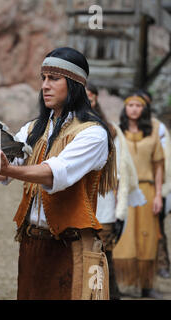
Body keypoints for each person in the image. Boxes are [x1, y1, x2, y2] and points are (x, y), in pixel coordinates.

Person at [0, 47, 117, 300]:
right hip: (32, 245)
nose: (45, 85)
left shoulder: (93, 133)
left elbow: (55, 174)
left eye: (54, 78)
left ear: (75, 84)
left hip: (72, 248)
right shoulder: (33, 129)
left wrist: (8, 168)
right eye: (43, 78)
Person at [86, 83, 146, 300]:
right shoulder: (67, 127)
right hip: (76, 203)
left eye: (90, 98)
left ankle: (106, 295)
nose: (87, 102)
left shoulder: (110, 130)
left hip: (103, 205)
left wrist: (120, 210)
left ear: (96, 100)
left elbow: (120, 171)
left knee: (101, 255)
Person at [112, 93, 165, 299]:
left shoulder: (152, 133)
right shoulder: (117, 132)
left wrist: (159, 195)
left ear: (144, 109)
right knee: (121, 237)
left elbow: (158, 166)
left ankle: (146, 285)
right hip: (122, 190)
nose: (133, 109)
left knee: (147, 238)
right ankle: (116, 283)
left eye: (138, 105)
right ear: (125, 108)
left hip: (147, 190)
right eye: (130, 105)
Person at [137, 90, 171, 280]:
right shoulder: (127, 127)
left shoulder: (158, 129)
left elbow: (165, 161)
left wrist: (163, 190)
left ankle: (162, 264)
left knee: (157, 229)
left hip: (155, 186)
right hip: (135, 186)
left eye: (144, 104)